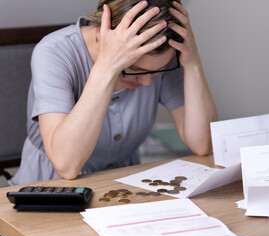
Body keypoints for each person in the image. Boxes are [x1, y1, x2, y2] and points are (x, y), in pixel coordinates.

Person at [9, 0, 217, 185]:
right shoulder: (54, 52)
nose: (146, 82)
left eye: (155, 73)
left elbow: (201, 143)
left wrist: (192, 61)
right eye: (134, 70)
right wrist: (107, 67)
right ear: (101, 33)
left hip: (122, 189)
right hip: (49, 189)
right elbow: (66, 164)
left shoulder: (162, 60)